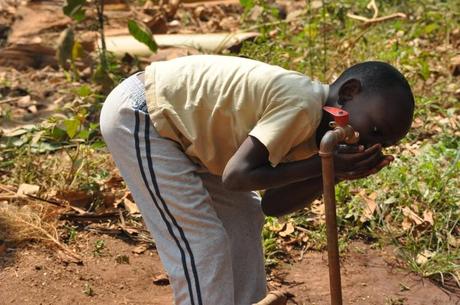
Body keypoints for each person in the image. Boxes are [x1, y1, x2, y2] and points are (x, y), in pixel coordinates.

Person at [99, 55, 414, 305]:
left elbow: (272, 204)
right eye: (374, 131)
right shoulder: (303, 105)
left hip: (188, 138)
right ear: (348, 93)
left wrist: (333, 172)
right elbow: (237, 176)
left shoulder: (316, 132)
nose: (371, 144)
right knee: (204, 242)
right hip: (145, 115)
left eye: (382, 143)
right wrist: (322, 164)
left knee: (245, 217)